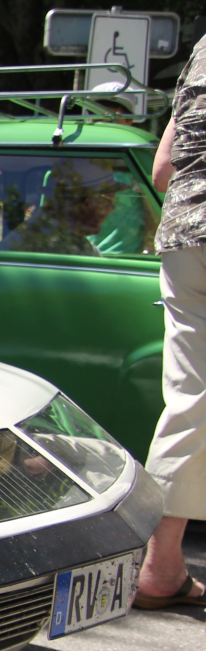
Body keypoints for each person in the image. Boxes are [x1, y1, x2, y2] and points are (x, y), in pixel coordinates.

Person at [136, 35, 206, 608]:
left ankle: (159, 566)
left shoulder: (204, 50)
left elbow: (163, 169)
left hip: (185, 235)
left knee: (191, 400)